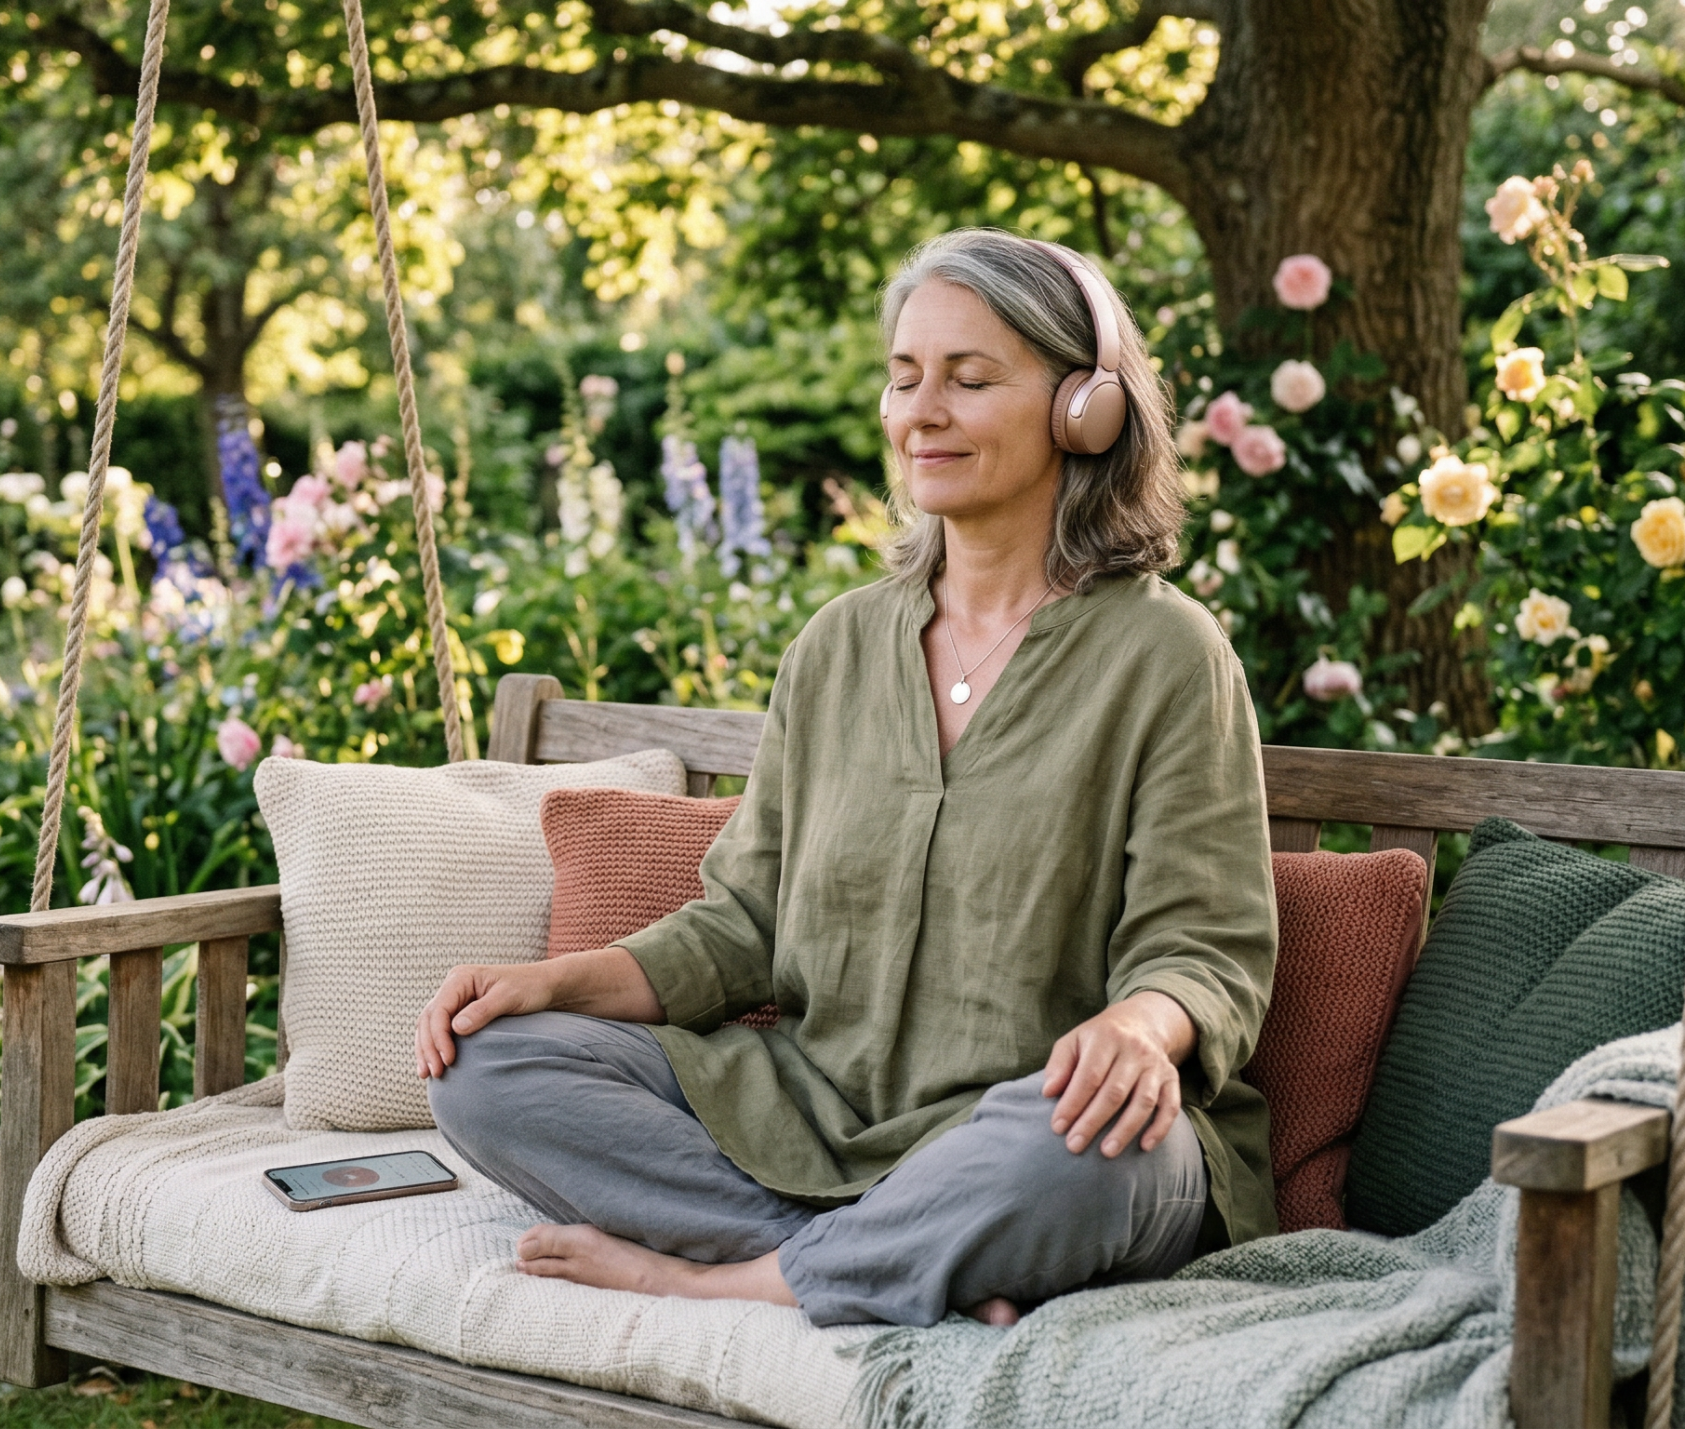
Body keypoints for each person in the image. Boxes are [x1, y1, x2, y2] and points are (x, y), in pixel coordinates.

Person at [418, 228, 1277, 1330]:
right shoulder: (836, 648)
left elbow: (1203, 947)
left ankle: (731, 1278)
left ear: (1086, 409)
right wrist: (559, 982)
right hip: (812, 1113)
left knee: (1099, 1158)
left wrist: (1143, 1027)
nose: (922, 411)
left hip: (1034, 1129)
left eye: (970, 380)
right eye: (905, 377)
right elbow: (745, 924)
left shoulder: (1166, 654)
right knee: (487, 1067)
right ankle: (913, 1258)